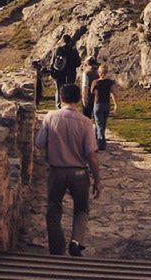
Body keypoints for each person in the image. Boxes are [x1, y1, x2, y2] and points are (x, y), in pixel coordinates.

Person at [35, 83, 101, 257]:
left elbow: (40, 142)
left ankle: (57, 249)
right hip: (79, 172)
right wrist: (97, 180)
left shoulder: (50, 117)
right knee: (81, 208)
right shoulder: (86, 123)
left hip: (56, 170)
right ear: (79, 99)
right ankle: (76, 241)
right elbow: (91, 154)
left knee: (53, 208)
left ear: (61, 98)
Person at [90, 64, 117, 150]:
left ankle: (101, 143)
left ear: (99, 72)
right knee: (103, 124)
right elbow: (113, 93)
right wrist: (116, 104)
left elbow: (91, 92)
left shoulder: (95, 82)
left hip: (97, 104)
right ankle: (99, 140)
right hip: (106, 104)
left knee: (98, 123)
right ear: (107, 72)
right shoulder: (110, 82)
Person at [50, 34, 81, 109]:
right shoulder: (73, 50)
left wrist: (53, 72)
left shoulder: (58, 49)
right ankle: (68, 105)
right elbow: (78, 63)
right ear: (70, 41)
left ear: (63, 41)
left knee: (59, 89)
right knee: (69, 90)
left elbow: (52, 62)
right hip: (70, 74)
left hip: (59, 74)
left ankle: (59, 105)